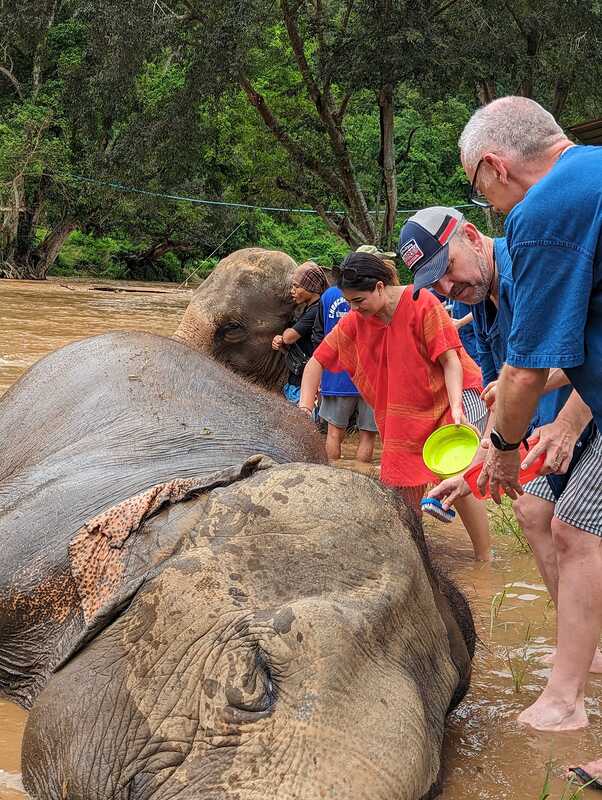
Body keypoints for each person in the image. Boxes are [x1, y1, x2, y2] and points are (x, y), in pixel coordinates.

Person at [398, 205, 602, 680]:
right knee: (531, 510)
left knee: (573, 528)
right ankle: (582, 645)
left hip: (585, 408)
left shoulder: (532, 268)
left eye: (448, 267)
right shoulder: (478, 302)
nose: (447, 286)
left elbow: (587, 352)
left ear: (472, 236)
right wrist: (471, 474)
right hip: (553, 422)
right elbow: (500, 398)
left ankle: (575, 667)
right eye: (435, 281)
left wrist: (567, 425)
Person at [455, 96, 602, 739]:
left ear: (494, 166)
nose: (490, 206)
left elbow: (524, 373)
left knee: (574, 526)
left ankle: (566, 699)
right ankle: (572, 680)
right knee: (561, 521)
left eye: (479, 189)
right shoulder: (592, 173)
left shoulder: (541, 213)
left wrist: (505, 449)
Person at [299, 250, 492, 561]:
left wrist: (457, 408)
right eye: (349, 303)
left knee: (454, 473)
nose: (353, 309)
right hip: (408, 408)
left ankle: (485, 560)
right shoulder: (356, 320)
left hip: (453, 394)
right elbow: (316, 362)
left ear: (379, 287)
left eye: (358, 301)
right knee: (402, 486)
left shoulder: (421, 302)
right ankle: (415, 558)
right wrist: (304, 411)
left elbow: (450, 361)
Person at [312, 281, 378, 463]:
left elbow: (318, 335)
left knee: (333, 432)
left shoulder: (327, 295)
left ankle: (331, 474)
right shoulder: (374, 294)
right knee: (368, 435)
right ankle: (361, 477)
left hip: (336, 375)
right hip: (372, 376)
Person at [272, 261, 328, 406]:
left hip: (303, 386)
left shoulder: (315, 310)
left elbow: (289, 337)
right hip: (298, 380)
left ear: (311, 287)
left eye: (297, 286)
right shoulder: (310, 308)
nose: (292, 291)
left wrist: (282, 336)